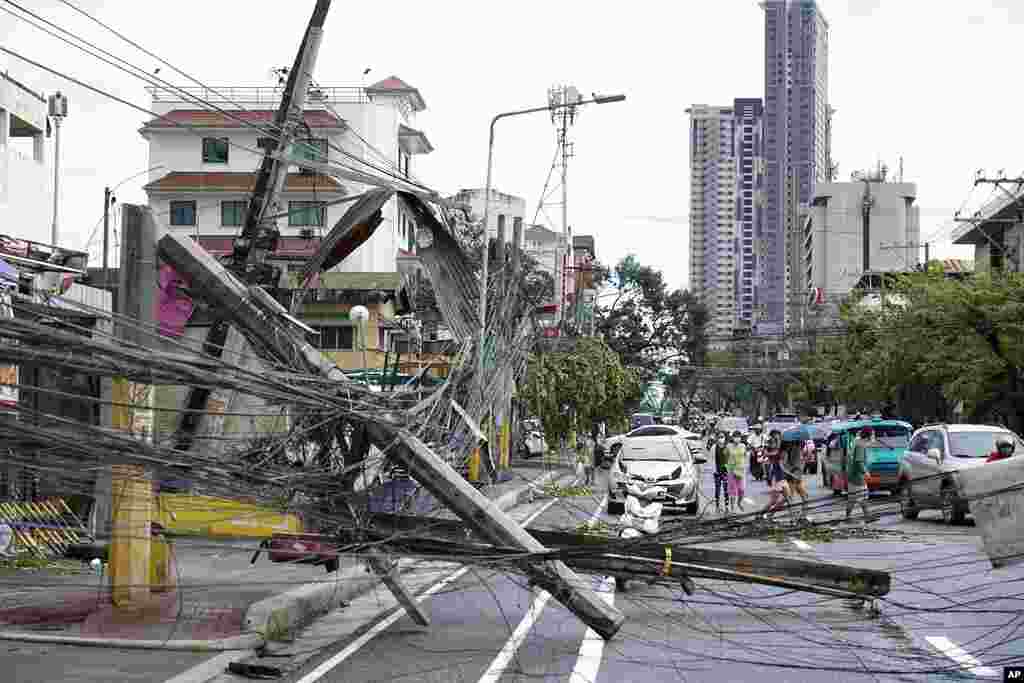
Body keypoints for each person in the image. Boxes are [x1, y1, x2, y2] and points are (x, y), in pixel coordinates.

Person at [845, 427, 874, 524]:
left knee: (853, 498)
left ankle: (849, 517)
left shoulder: (857, 441)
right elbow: (859, 461)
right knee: (863, 496)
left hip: (852, 475)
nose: (873, 437)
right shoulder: (861, 445)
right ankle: (866, 516)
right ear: (868, 436)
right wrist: (865, 472)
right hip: (857, 476)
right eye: (872, 434)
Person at [783, 441, 811, 522]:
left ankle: (802, 516)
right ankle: (794, 518)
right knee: (791, 498)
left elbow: (799, 462)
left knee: (804, 497)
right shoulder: (794, 449)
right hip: (793, 477)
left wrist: (805, 458)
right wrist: (792, 472)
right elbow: (786, 464)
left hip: (797, 477)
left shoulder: (798, 448)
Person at [725, 431, 748, 512]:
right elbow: (726, 456)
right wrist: (728, 467)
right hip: (731, 471)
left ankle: (739, 503)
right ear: (732, 437)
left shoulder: (743, 446)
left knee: (742, 490)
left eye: (738, 437)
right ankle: (732, 508)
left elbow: (745, 456)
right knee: (733, 491)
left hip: (741, 471)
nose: (737, 438)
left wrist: (743, 465)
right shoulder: (728, 446)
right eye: (735, 437)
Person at [713, 432, 730, 512]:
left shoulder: (727, 448)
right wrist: (714, 470)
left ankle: (727, 505)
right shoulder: (714, 447)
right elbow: (711, 459)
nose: (721, 439)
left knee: (726, 489)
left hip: (726, 471)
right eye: (719, 437)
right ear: (717, 438)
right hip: (717, 471)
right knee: (717, 489)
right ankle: (717, 505)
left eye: (722, 437)